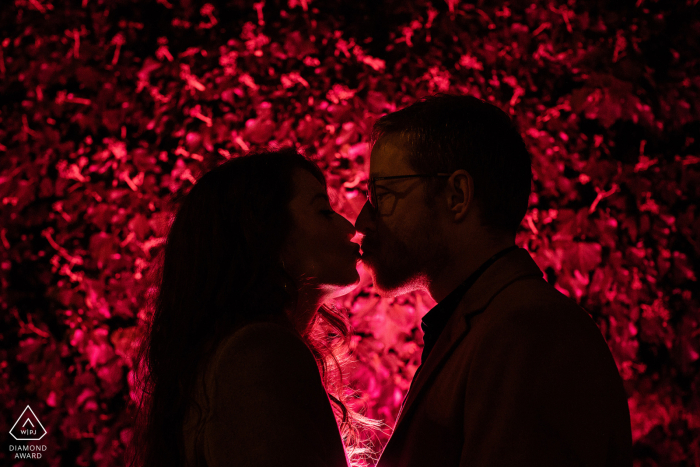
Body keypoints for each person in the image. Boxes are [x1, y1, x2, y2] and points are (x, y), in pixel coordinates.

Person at [355, 94, 633, 467]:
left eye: (382, 194)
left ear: (457, 195)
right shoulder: (497, 325)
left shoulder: (532, 333)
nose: (361, 220)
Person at [128, 148, 371, 467]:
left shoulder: (232, 353)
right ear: (266, 233)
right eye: (323, 210)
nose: (349, 227)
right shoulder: (258, 353)